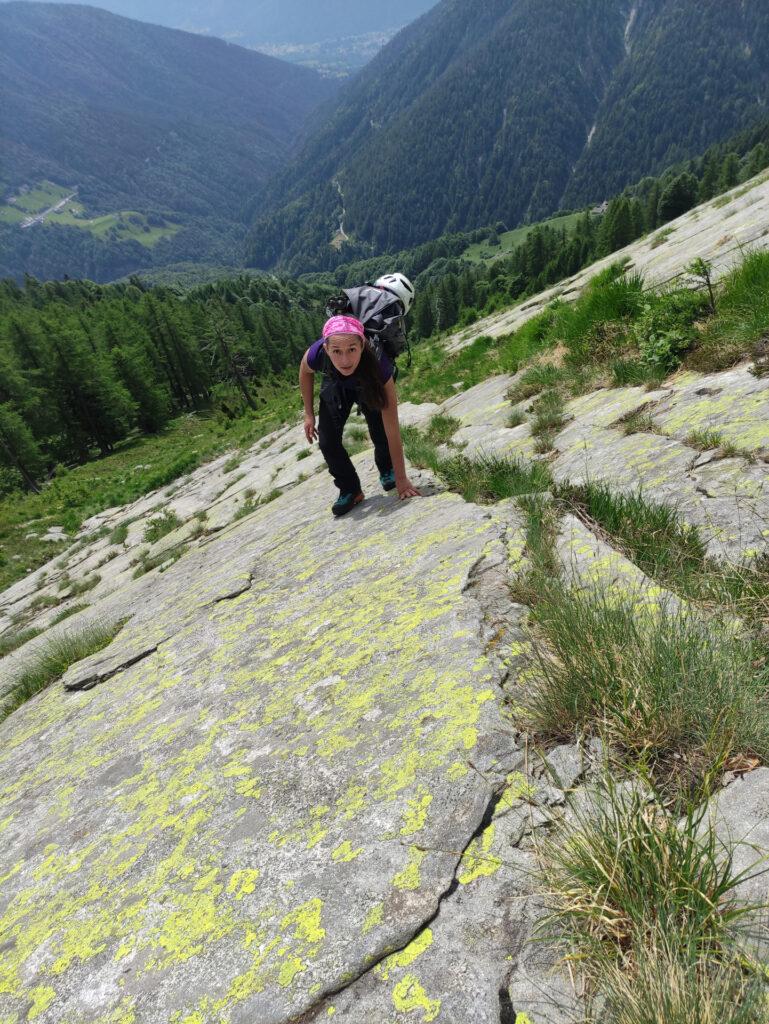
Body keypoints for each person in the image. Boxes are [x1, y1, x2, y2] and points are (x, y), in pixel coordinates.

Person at [300, 314, 421, 516]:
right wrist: (308, 414)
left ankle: (387, 469)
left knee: (380, 428)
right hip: (335, 384)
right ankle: (350, 490)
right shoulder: (317, 354)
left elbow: (393, 430)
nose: (345, 360)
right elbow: (305, 371)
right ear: (326, 349)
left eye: (352, 350)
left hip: (368, 381)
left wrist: (401, 480)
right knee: (327, 441)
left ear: (362, 346)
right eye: (336, 351)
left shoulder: (379, 365)